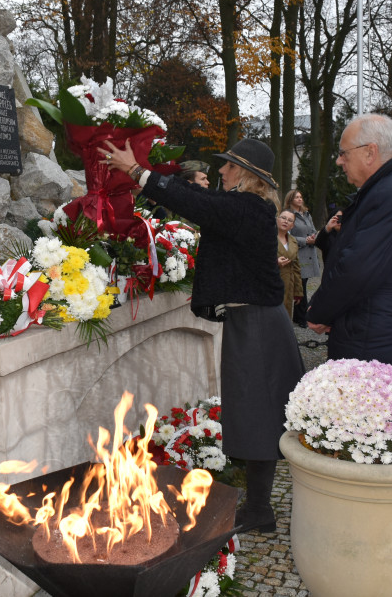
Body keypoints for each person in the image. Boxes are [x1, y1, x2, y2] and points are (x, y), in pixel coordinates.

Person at [101, 137, 304, 536]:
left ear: (246, 174)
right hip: (254, 321)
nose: (221, 171)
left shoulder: (248, 208)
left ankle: (259, 510)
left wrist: (138, 171)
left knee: (258, 416)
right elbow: (201, 200)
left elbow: (197, 205)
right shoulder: (246, 206)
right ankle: (259, 508)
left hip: (259, 325)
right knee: (254, 414)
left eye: (229, 165)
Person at [306, 113, 392, 380]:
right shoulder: (391, 188)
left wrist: (320, 311)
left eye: (343, 153)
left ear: (370, 152)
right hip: (382, 334)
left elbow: (357, 269)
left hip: (382, 343)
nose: (339, 161)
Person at [283, 189, 319, 327]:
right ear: (290, 199)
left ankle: (299, 316)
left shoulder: (307, 214)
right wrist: (305, 240)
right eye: (296, 197)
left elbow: (313, 230)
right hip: (298, 254)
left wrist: (314, 237)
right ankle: (302, 316)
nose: (300, 199)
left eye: (301, 197)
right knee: (300, 284)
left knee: (303, 284)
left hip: (309, 253)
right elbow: (286, 235)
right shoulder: (288, 215)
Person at [276, 209, 302, 320]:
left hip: (288, 285)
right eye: (283, 218)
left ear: (292, 225)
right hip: (271, 284)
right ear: (277, 219)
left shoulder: (293, 241)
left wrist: (298, 291)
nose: (286, 221)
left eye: (290, 220)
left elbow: (296, 267)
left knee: (285, 318)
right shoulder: (266, 237)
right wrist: (275, 262)